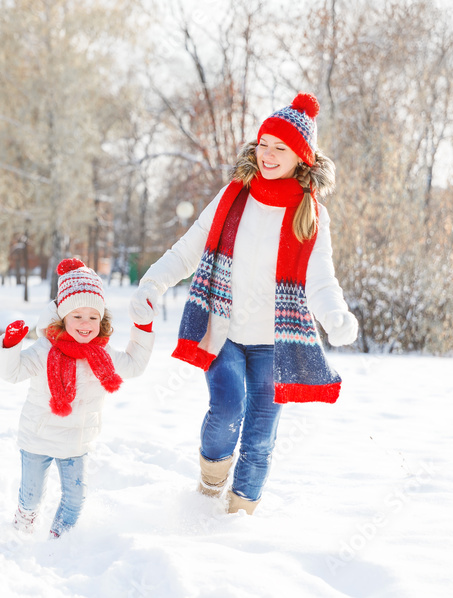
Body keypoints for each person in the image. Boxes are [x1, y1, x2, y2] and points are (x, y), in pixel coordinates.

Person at [129, 93, 358, 515]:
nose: (268, 154)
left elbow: (320, 279)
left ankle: (239, 518)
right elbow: (188, 250)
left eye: (280, 148)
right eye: (263, 144)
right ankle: (210, 481)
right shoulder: (234, 196)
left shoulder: (310, 213)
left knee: (260, 433)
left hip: (275, 341)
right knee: (227, 406)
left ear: (301, 157)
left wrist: (335, 316)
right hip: (225, 331)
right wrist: (152, 283)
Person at [0, 258, 154, 538]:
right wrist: (10, 346)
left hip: (76, 441)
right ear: (62, 318)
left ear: (102, 320)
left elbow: (134, 365)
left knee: (75, 499)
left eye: (93, 317)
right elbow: (12, 373)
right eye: (77, 316)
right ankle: (21, 529)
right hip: (37, 438)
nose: (85, 324)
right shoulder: (44, 350)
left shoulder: (103, 355)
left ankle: (59, 541)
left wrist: (142, 329)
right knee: (31, 496)